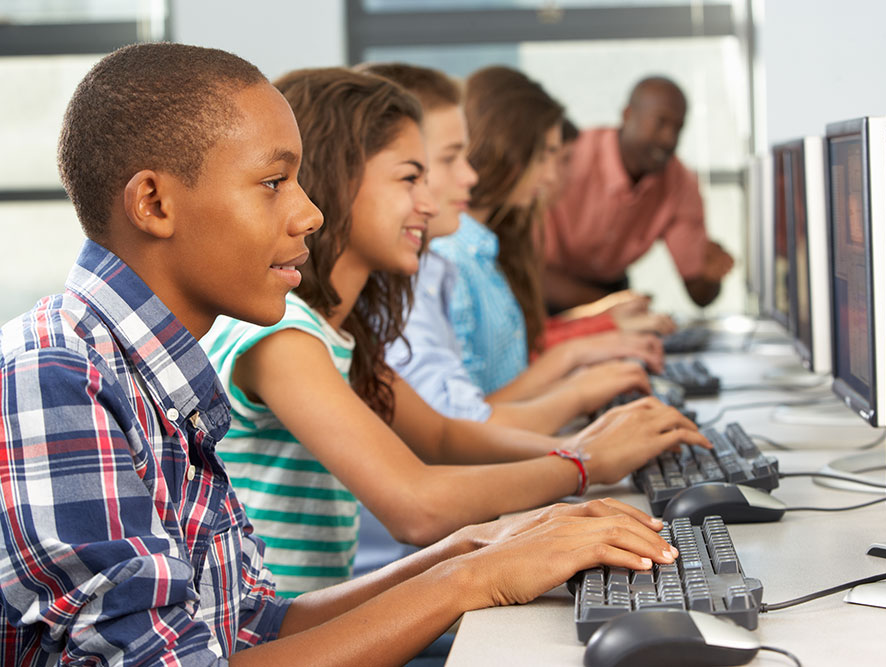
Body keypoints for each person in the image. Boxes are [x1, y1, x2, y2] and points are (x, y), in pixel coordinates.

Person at [0, 44, 691, 666]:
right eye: (274, 182)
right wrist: (470, 577)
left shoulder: (160, 376)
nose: (310, 214)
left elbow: (250, 625)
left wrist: (479, 545)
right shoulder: (57, 374)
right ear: (153, 201)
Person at [201, 67, 709, 596]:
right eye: (410, 178)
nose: (430, 200)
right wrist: (581, 464)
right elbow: (415, 507)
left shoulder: (339, 332)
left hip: (309, 618)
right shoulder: (283, 337)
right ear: (339, 179)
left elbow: (444, 435)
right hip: (280, 633)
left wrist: (583, 445)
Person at [367, 63, 656, 432]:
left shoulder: (460, 256)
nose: (553, 176)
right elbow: (458, 426)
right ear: (509, 150)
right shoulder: (448, 255)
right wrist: (578, 393)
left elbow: (464, 411)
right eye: (546, 155)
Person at [543, 75, 736, 311]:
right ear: (627, 115)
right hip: (546, 286)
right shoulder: (568, 157)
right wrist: (614, 305)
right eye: (660, 123)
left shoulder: (680, 182)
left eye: (678, 128)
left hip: (611, 289)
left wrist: (710, 275)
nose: (669, 139)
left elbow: (700, 294)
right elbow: (526, 272)